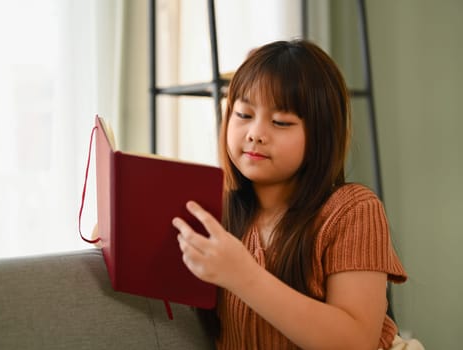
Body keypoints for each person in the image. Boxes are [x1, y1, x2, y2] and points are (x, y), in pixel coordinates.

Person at [171, 40, 409, 350]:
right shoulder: (215, 210)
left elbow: (355, 342)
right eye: (243, 114)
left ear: (321, 135)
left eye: (280, 122)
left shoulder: (352, 210)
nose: (255, 133)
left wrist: (244, 276)